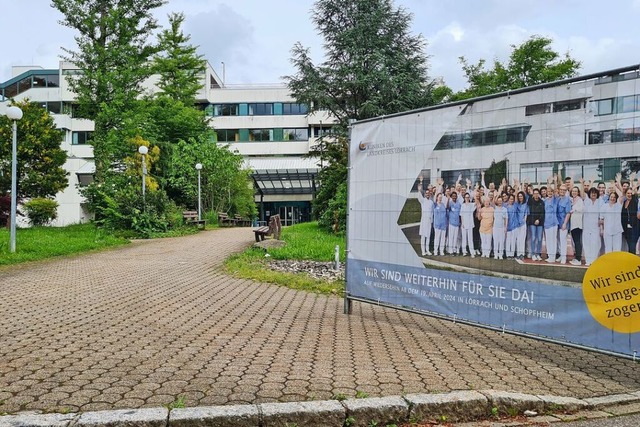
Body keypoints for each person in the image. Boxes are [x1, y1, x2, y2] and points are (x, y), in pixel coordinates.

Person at [582, 187, 602, 266]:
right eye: (592, 193)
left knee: (595, 243)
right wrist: (582, 184)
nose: (593, 194)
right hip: (586, 226)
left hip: (596, 226)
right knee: (586, 243)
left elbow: (602, 214)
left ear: (597, 194)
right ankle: (588, 260)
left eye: (595, 193)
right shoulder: (587, 201)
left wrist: (601, 226)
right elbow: (582, 193)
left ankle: (594, 260)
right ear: (589, 194)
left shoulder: (600, 202)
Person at [527, 188, 545, 261]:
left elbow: (543, 212)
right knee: (533, 238)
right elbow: (530, 213)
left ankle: (538, 254)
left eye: (537, 193)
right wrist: (534, 220)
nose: (536, 195)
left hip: (540, 223)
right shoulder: (531, 201)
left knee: (540, 239)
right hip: (532, 222)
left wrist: (539, 220)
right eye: (534, 193)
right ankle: (533, 254)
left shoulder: (542, 202)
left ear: (539, 194)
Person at [556, 185, 572, 264]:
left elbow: (568, 213)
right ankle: (560, 255)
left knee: (563, 241)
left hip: (563, 223)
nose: (562, 191)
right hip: (557, 223)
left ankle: (564, 257)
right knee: (558, 240)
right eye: (561, 190)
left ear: (566, 191)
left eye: (564, 190)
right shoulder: (557, 199)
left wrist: (565, 223)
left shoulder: (567, 200)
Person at [621, 187, 639, 255]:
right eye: (628, 193)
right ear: (626, 194)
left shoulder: (634, 201)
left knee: (632, 246)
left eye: (631, 193)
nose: (630, 194)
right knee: (629, 245)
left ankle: (633, 262)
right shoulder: (624, 202)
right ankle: (630, 261)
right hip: (626, 228)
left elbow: (635, 194)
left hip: (634, 228)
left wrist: (632, 182)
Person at [417, 184, 434, 256]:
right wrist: (419, 190)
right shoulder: (423, 201)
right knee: (423, 236)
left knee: (428, 236)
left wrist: (432, 221)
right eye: (426, 193)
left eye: (428, 193)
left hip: (429, 221)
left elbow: (432, 212)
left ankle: (427, 250)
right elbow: (419, 197)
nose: (427, 194)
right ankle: (423, 251)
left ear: (430, 194)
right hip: (424, 221)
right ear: (425, 194)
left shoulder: (431, 202)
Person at [543, 186, 559, 262]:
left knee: (553, 240)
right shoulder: (545, 200)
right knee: (548, 240)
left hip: (553, 223)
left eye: (551, 192)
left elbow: (556, 192)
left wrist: (554, 182)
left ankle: (553, 256)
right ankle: (549, 256)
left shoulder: (555, 200)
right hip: (546, 223)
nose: (549, 193)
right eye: (548, 191)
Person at [569, 186, 584, 265]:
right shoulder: (572, 200)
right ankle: (576, 257)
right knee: (575, 241)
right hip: (573, 224)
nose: (574, 192)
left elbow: (581, 209)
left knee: (577, 241)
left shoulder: (580, 200)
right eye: (573, 191)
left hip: (577, 224)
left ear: (578, 192)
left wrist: (573, 210)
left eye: (575, 191)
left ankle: (578, 259)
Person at [460, 193, 477, 257]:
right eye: (466, 197)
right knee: (464, 239)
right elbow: (461, 215)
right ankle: (464, 252)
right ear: (464, 198)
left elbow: (477, 202)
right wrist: (462, 223)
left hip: (470, 224)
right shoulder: (463, 205)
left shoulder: (471, 205)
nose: (467, 198)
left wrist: (475, 194)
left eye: (468, 197)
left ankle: (472, 252)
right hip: (464, 224)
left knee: (470, 239)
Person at [493, 194, 508, 259]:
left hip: (502, 227)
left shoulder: (504, 209)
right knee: (496, 241)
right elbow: (493, 201)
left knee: (501, 241)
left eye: (501, 201)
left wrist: (505, 227)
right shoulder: (495, 208)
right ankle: (496, 254)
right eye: (498, 201)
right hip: (495, 227)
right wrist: (498, 194)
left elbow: (506, 219)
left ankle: (500, 254)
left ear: (502, 201)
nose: (499, 202)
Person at [514, 191, 528, 260]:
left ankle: (522, 254)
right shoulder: (517, 204)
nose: (520, 197)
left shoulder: (526, 205)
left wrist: (523, 221)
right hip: (517, 224)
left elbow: (526, 215)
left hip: (523, 224)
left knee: (522, 239)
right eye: (519, 196)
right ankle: (518, 253)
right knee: (518, 240)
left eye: (521, 196)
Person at [505, 194, 518, 258]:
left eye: (512, 199)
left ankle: (512, 254)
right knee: (508, 241)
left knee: (513, 241)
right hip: (508, 226)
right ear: (508, 199)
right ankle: (508, 254)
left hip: (514, 226)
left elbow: (516, 198)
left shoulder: (515, 206)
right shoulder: (505, 207)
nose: (511, 200)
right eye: (510, 199)